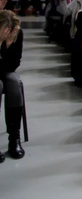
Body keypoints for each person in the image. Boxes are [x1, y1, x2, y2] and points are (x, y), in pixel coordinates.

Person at [0, 11, 24, 161]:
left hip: (6, 70)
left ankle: (14, 137)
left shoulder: (17, 34)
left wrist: (7, 45)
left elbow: (14, 64)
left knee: (14, 83)